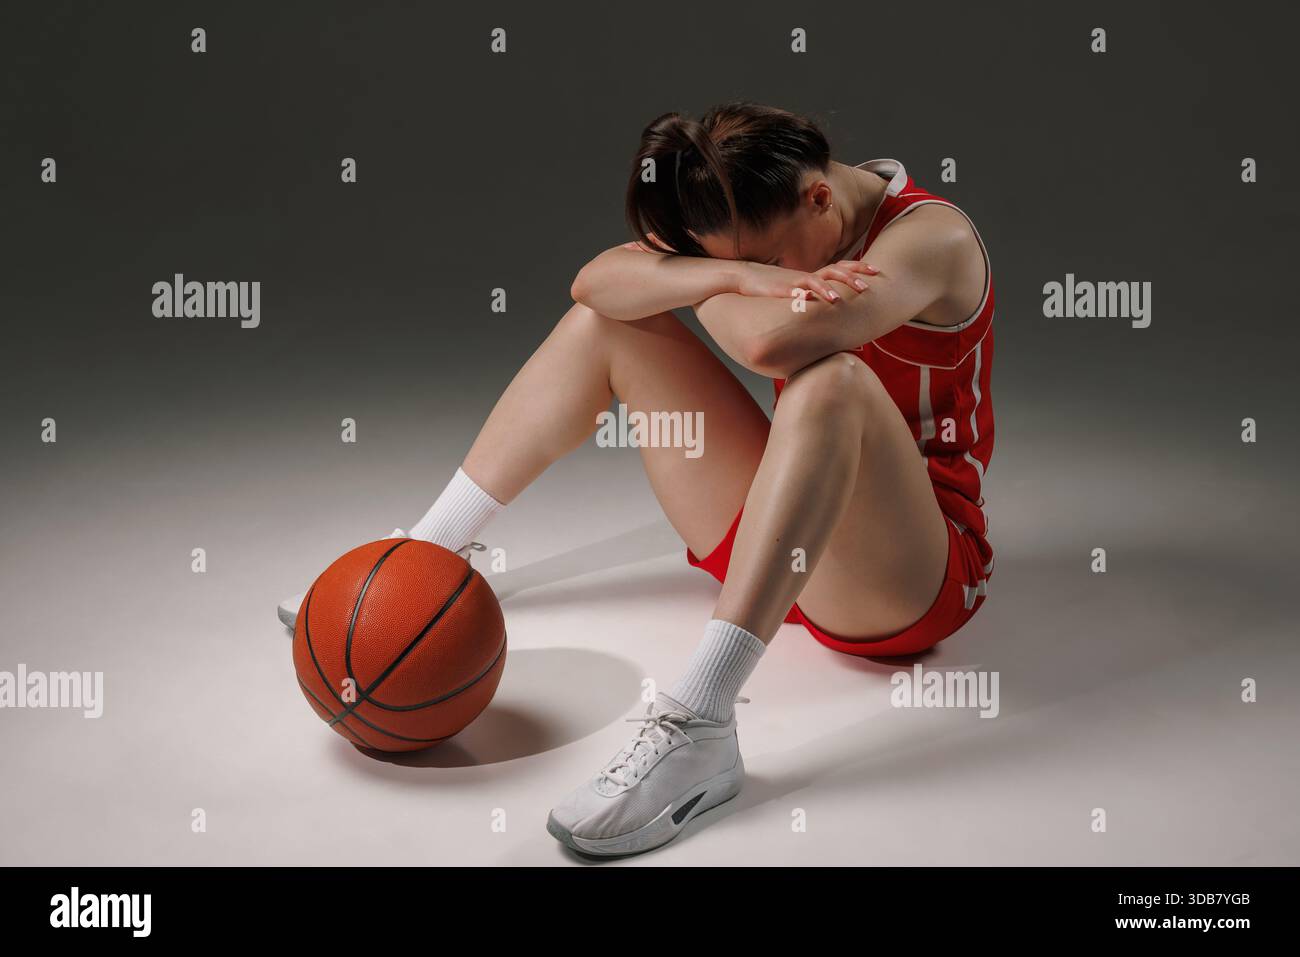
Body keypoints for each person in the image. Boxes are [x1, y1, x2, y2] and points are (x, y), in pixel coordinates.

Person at [282, 101, 995, 857]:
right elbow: (597, 283)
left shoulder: (932, 238)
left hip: (909, 581)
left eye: (776, 260)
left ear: (820, 196)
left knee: (833, 382)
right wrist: (736, 269)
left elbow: (772, 340)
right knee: (605, 325)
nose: (772, 278)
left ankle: (702, 721)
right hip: (780, 541)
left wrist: (692, 278)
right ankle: (421, 558)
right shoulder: (748, 213)